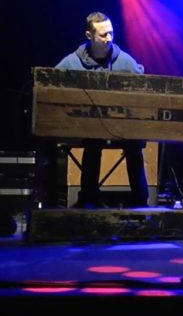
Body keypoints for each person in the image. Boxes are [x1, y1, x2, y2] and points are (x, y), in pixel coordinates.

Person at [55, 11, 149, 208]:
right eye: (103, 34)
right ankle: (88, 199)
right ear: (89, 36)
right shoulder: (72, 62)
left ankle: (140, 202)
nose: (109, 38)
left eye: (111, 33)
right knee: (93, 140)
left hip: (121, 127)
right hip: (86, 127)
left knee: (134, 143)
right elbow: (51, 83)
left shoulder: (126, 62)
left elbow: (144, 91)